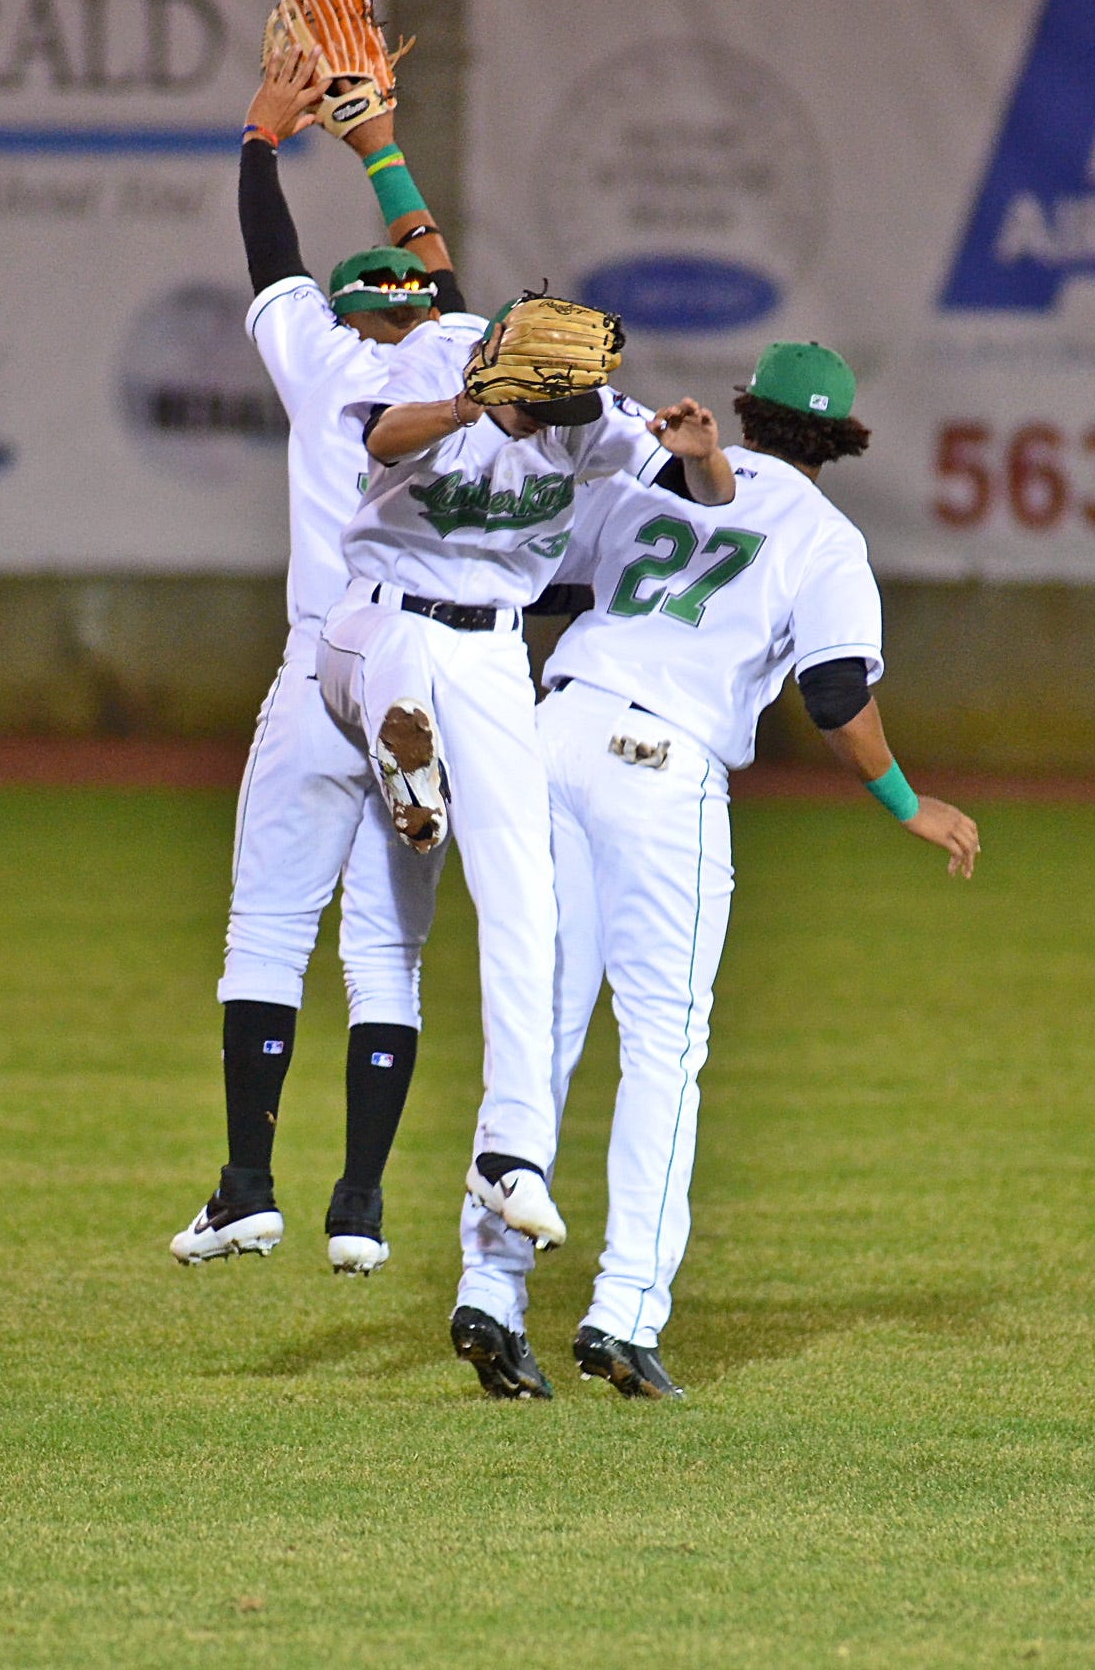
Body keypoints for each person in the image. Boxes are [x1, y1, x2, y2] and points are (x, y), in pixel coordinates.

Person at [455, 342, 980, 1399]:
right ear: (838, 440)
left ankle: (490, 1291)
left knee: (540, 1028)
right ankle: (624, 1311)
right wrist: (905, 803)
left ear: (750, 411)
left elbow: (543, 586)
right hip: (659, 767)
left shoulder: (650, 479)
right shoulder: (825, 539)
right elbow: (833, 694)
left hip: (554, 734)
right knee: (662, 1048)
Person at [326, 302, 738, 1397]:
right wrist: (472, 399)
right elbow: (377, 438)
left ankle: (508, 1174)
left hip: (500, 662)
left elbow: (676, 470)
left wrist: (690, 446)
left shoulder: (589, 419)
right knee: (391, 690)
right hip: (377, 622)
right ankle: (406, 761)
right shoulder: (435, 386)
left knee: (532, 933)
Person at [169, 48, 480, 1276]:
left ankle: (248, 1183)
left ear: (355, 310)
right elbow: (445, 273)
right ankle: (360, 1203)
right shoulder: (459, 361)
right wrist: (379, 148)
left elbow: (270, 257)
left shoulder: (323, 362)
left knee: (265, 931)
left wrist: (262, 136)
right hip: (430, 667)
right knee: (387, 954)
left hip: (321, 664)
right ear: (425, 315)